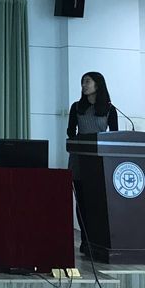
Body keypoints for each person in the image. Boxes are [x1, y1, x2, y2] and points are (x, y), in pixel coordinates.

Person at [67, 71, 118, 255]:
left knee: (98, 202)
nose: (84, 85)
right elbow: (70, 132)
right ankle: (85, 240)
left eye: (87, 82)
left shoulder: (110, 109)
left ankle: (98, 241)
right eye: (82, 82)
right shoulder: (76, 107)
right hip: (79, 159)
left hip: (101, 162)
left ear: (98, 84)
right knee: (82, 200)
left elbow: (114, 135)